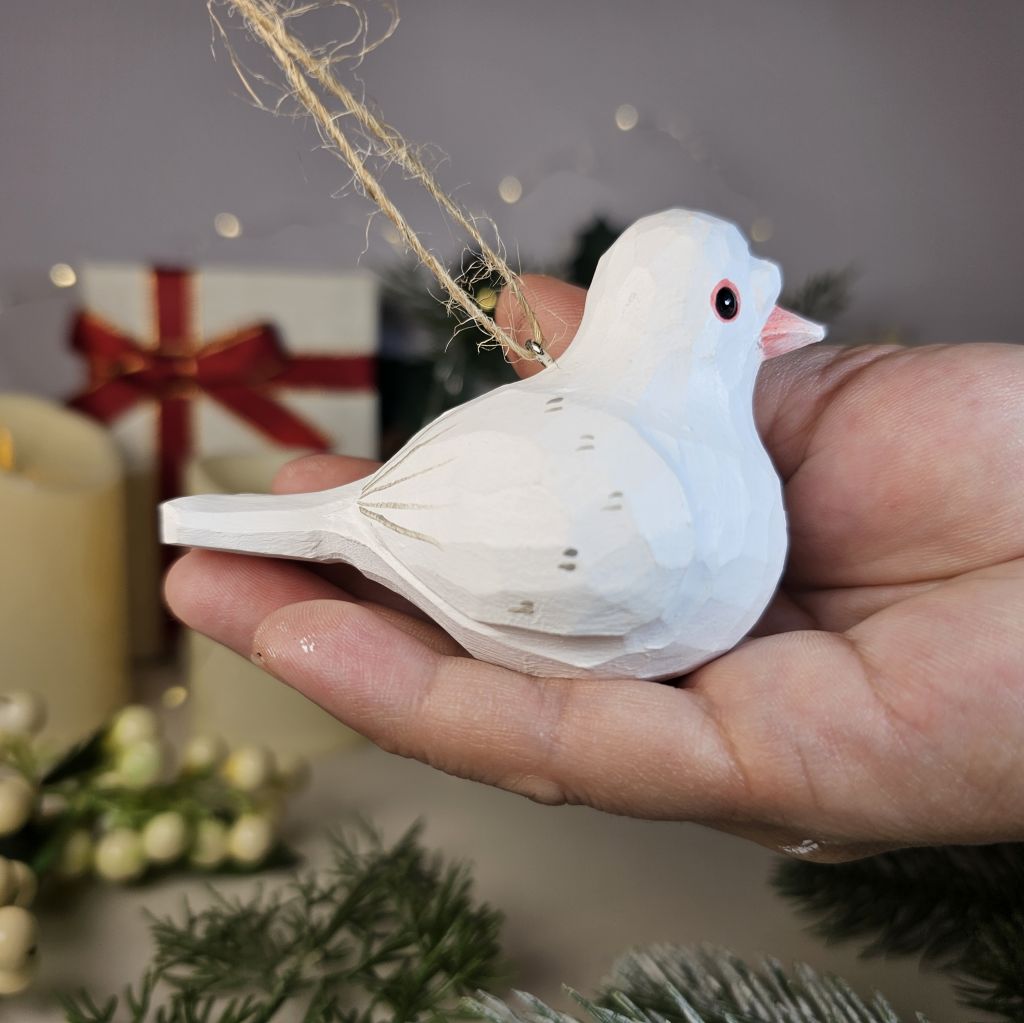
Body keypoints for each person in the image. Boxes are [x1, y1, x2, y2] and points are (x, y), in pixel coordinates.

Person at [165, 275, 1024, 862]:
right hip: (419, 520)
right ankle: (291, 522)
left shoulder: (709, 463)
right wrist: (354, 522)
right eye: (730, 302)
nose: (774, 321)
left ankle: (290, 520)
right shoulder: (637, 472)